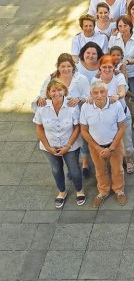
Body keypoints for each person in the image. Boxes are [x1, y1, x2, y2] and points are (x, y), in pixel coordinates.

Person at [34, 80, 86, 208]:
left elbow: (77, 128)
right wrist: (47, 147)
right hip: (50, 145)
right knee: (56, 170)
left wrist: (68, 146)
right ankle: (62, 191)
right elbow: (39, 128)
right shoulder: (42, 107)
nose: (56, 93)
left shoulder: (72, 106)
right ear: (49, 93)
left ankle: (79, 190)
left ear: (64, 91)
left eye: (59, 90)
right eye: (53, 90)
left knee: (74, 170)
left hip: (70, 145)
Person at [80, 82, 128, 207]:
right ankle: (103, 191)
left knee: (117, 169)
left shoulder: (116, 105)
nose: (99, 95)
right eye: (95, 92)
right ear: (91, 94)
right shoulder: (85, 107)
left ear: (107, 93)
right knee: (100, 170)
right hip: (95, 146)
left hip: (114, 144)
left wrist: (111, 147)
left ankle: (119, 190)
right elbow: (83, 130)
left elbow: (122, 128)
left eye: (102, 92)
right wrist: (97, 147)